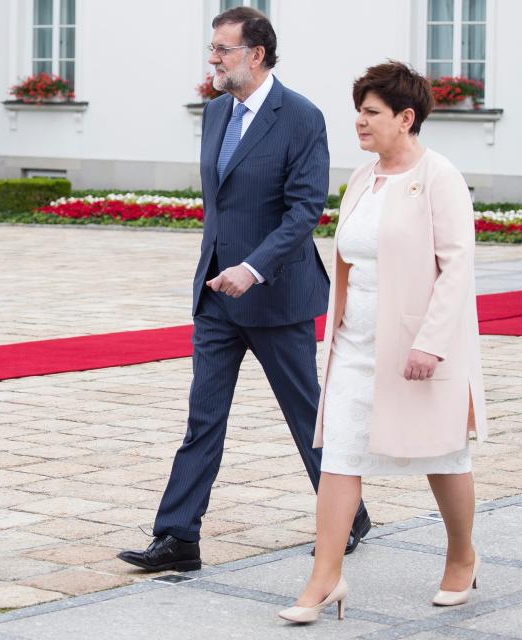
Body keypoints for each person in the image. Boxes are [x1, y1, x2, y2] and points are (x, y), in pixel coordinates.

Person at [118, 7, 370, 573]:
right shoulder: (215, 113)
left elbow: (304, 210)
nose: (212, 58)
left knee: (306, 415)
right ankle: (178, 537)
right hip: (216, 296)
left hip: (276, 296)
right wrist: (223, 269)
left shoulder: (301, 117)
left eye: (222, 49)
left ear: (255, 55)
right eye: (212, 48)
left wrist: (253, 269)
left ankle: (348, 514)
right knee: (203, 418)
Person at [278, 61, 488, 624]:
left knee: (443, 455)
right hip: (355, 342)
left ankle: (462, 556)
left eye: (372, 112)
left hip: (417, 344)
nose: (360, 122)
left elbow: (457, 267)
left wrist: (431, 342)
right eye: (359, 112)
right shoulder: (362, 178)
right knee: (340, 455)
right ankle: (325, 577)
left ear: (406, 118)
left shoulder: (439, 176)